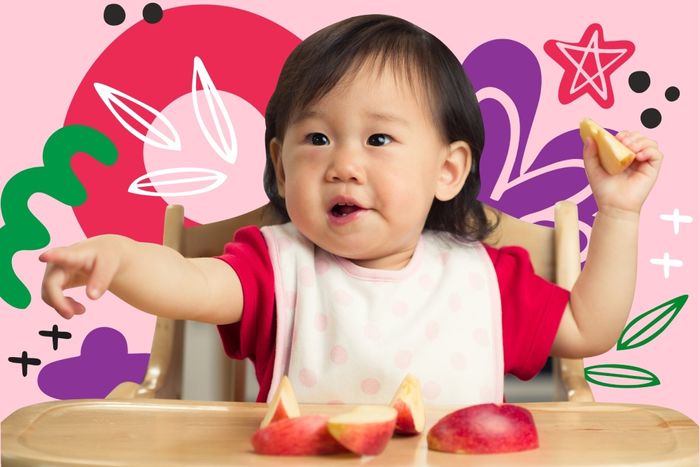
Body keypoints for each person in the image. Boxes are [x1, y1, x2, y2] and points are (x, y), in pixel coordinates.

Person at [40, 14, 663, 405]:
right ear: (282, 169)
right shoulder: (273, 267)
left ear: (447, 171)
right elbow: (185, 283)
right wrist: (119, 257)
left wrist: (619, 215)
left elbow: (590, 329)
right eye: (317, 140)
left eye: (378, 139)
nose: (343, 164)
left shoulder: (485, 280)